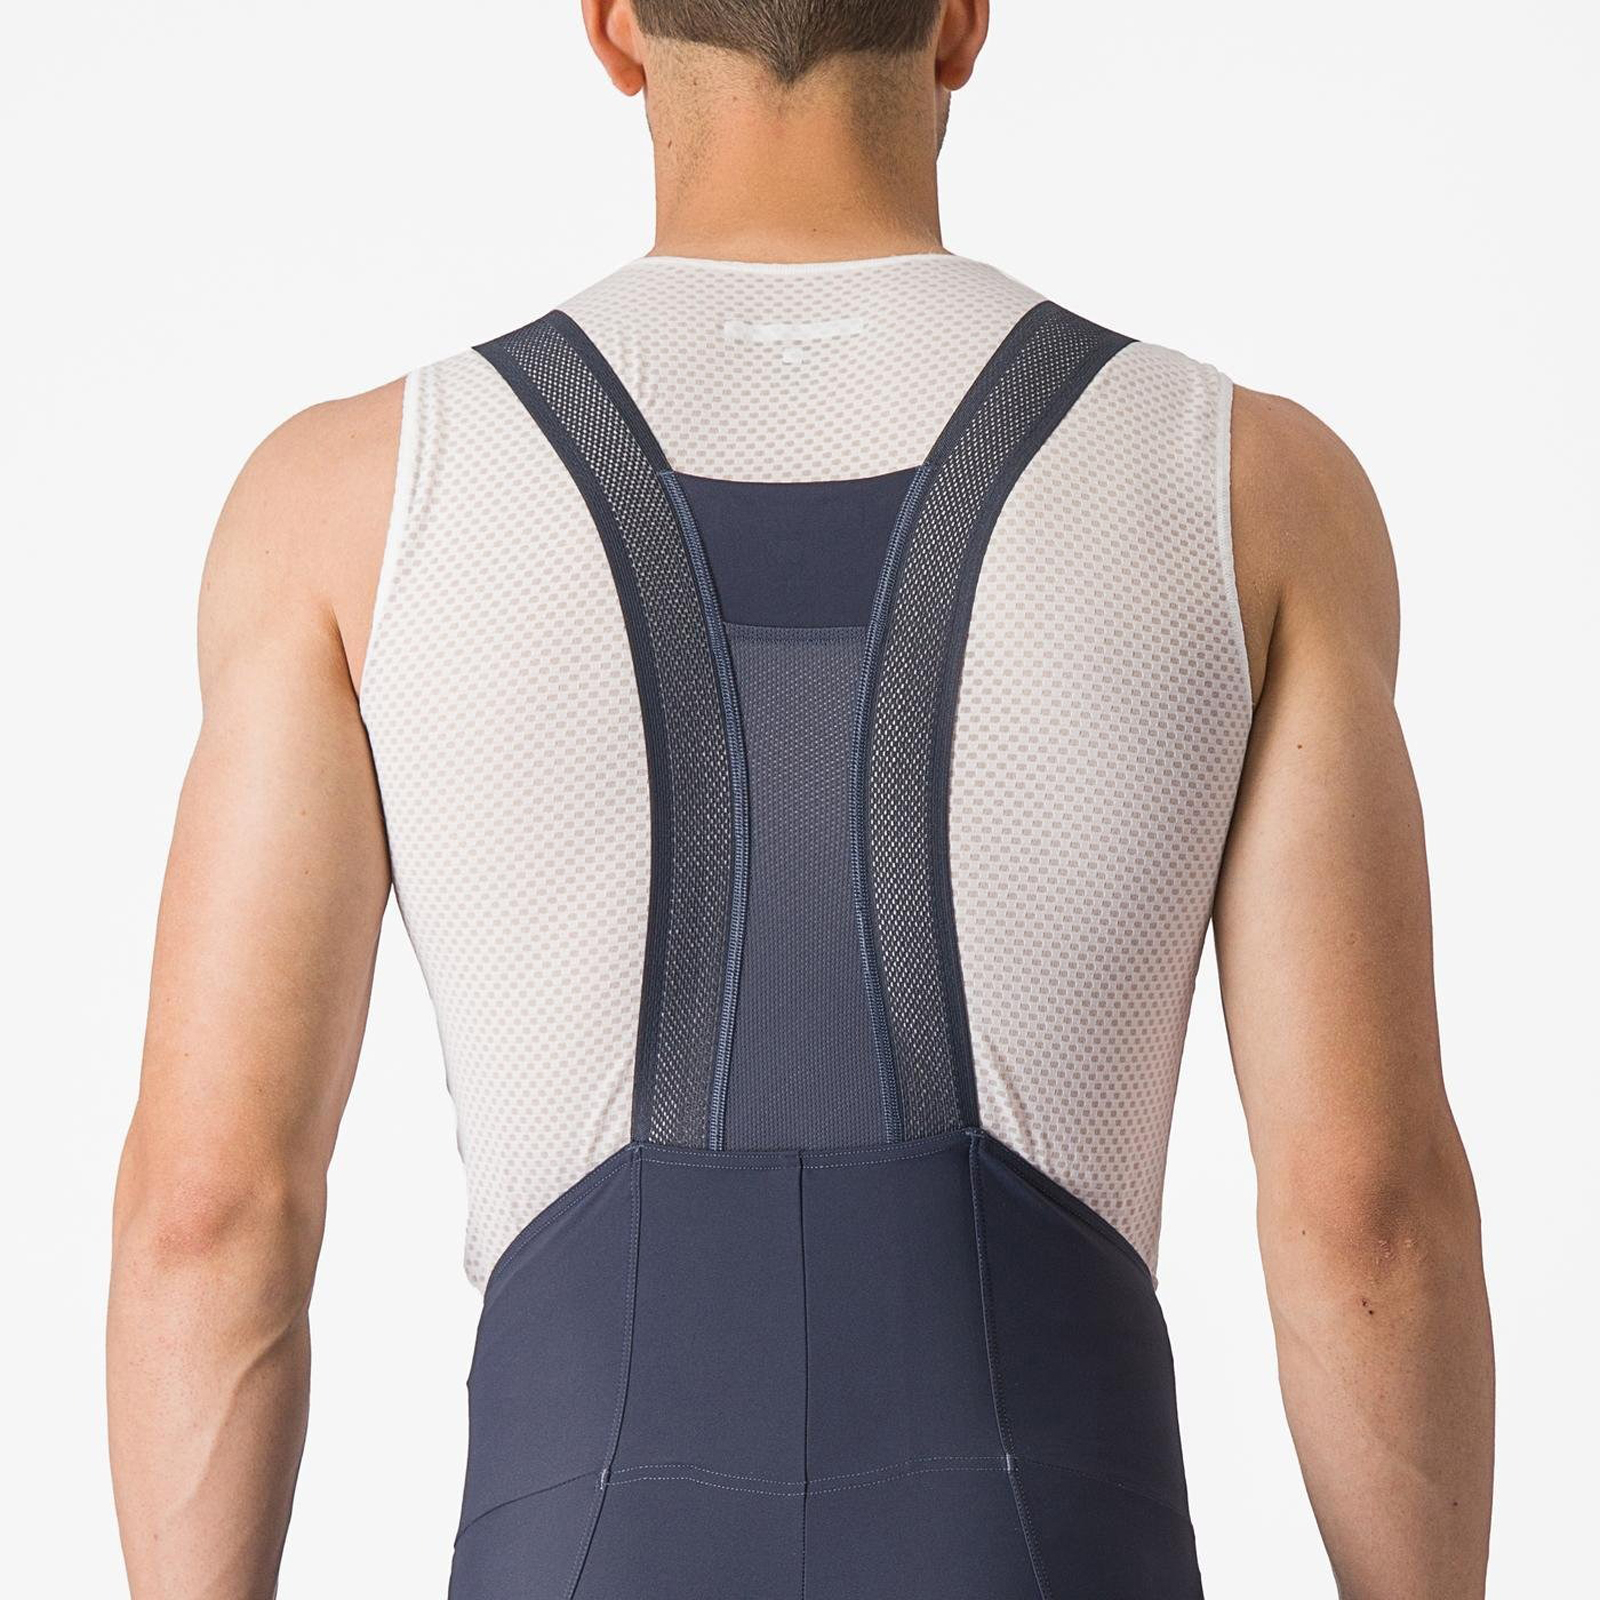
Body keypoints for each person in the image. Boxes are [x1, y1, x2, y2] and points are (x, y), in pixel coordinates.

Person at [106, 2, 1494, 1595]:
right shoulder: (1247, 487)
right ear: (959, 23)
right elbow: (1367, 1209)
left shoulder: (348, 505)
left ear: (614, 28)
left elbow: (207, 1216)